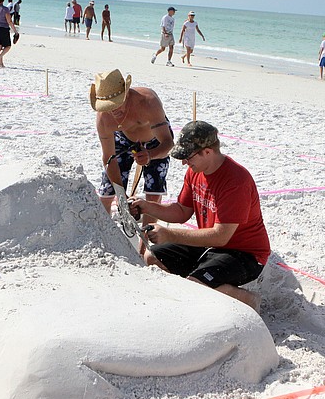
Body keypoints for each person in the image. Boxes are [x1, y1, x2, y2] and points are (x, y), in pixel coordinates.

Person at [128, 121, 270, 311]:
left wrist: (170, 235)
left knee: (195, 286)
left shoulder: (236, 181)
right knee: (152, 257)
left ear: (208, 152)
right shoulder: (195, 171)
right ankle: (200, 282)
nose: (184, 162)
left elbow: (222, 236)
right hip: (211, 244)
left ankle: (248, 301)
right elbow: (181, 211)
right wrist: (146, 207)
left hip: (246, 254)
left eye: (188, 156)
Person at [90, 69, 174, 227]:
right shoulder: (104, 118)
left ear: (127, 93)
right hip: (123, 139)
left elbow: (168, 143)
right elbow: (108, 157)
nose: (113, 110)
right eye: (108, 106)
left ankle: (145, 246)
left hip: (155, 140)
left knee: (153, 194)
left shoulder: (148, 101)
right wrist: (121, 196)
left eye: (116, 104)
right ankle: (105, 233)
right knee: (106, 194)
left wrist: (150, 155)